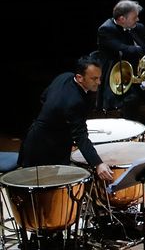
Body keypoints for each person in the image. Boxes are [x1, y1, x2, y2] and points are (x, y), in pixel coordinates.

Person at [19, 55, 114, 184]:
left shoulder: (65, 77)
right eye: (94, 78)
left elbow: (43, 97)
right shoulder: (75, 102)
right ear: (80, 78)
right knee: (46, 191)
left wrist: (56, 119)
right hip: (44, 149)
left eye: (99, 77)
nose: (99, 82)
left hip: (34, 136)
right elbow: (80, 136)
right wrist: (98, 164)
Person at [96, 0, 145, 147]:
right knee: (131, 99)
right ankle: (131, 142)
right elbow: (123, 50)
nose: (138, 19)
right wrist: (143, 52)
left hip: (139, 75)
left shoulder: (139, 27)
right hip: (119, 77)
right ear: (121, 19)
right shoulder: (105, 30)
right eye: (134, 17)